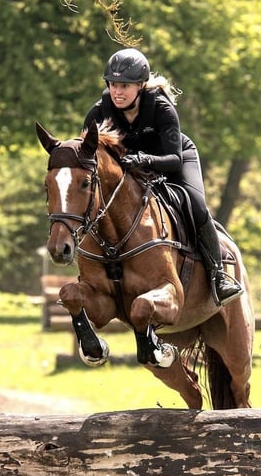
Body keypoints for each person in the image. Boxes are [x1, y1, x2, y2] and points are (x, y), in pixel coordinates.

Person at [82, 48, 243, 306]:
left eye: (125, 85)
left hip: (173, 159)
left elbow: (174, 160)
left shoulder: (161, 108)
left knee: (195, 204)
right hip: (131, 168)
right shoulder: (100, 112)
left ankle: (218, 275)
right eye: (113, 85)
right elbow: (86, 154)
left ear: (140, 85)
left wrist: (144, 159)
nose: (117, 92)